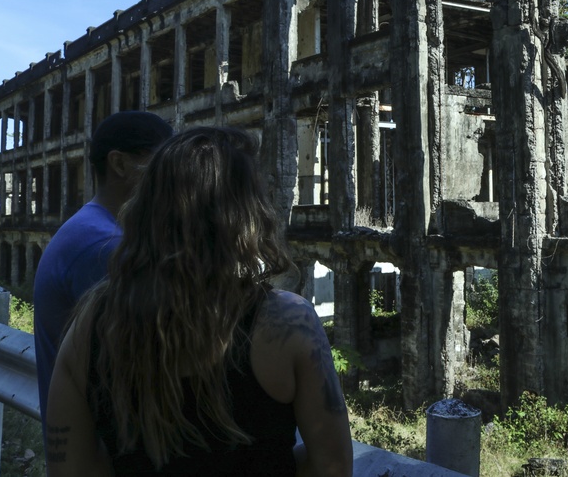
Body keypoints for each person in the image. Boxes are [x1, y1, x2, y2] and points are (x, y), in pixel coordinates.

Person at [44, 126, 353, 476]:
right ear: (247, 214)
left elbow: (73, 469)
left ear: (146, 210)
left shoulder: (91, 323)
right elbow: (332, 465)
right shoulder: (287, 322)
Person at [34, 110, 173, 427]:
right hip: (101, 449)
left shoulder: (92, 228)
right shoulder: (104, 246)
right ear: (121, 164)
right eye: (163, 163)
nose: (173, 176)